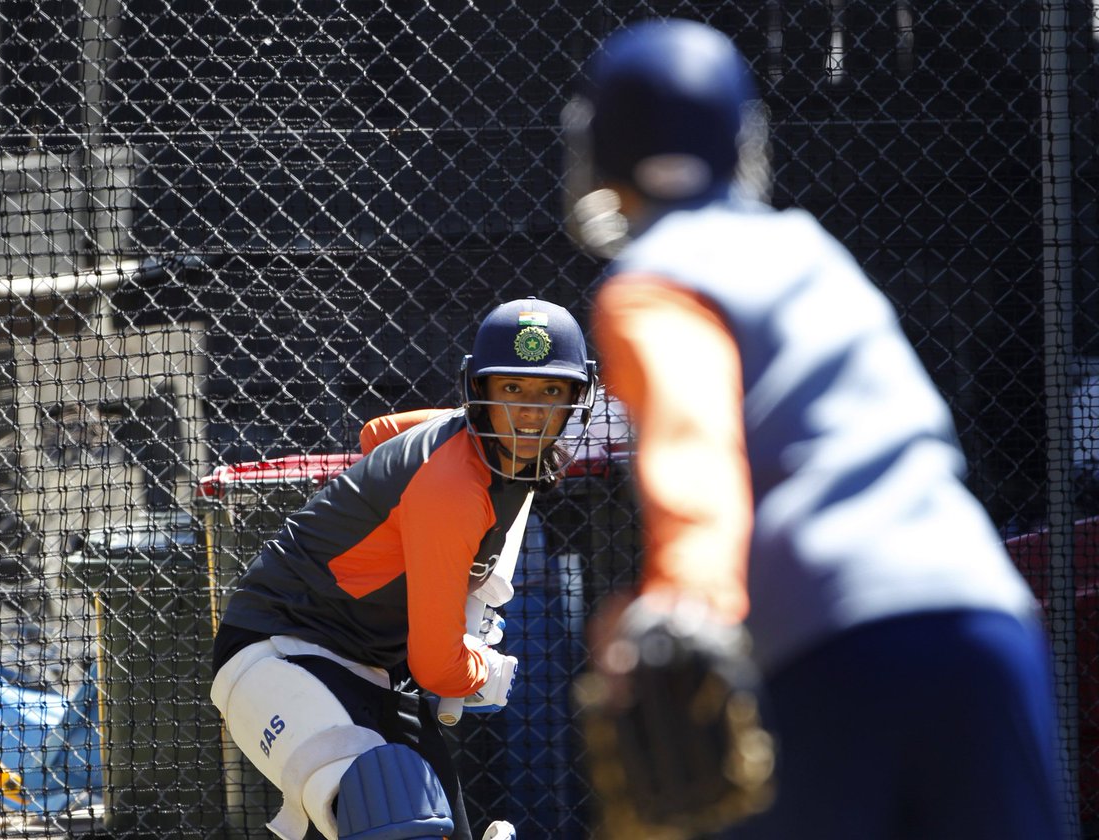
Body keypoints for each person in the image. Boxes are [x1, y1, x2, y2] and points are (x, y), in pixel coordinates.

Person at [563, 19, 1069, 840]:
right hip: (984, 617)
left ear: (596, 154)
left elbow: (693, 441)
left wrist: (688, 604)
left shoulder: (651, 280)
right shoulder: (811, 251)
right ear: (743, 140)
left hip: (830, 646)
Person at [209, 297, 596, 840]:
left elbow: (378, 431)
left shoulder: (481, 442)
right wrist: (482, 668)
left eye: (550, 391)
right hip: (282, 650)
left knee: (437, 827)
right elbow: (438, 668)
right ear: (480, 391)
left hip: (372, 667)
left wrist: (389, 531)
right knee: (389, 811)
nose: (529, 413)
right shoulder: (453, 490)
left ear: (577, 396)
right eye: (511, 389)